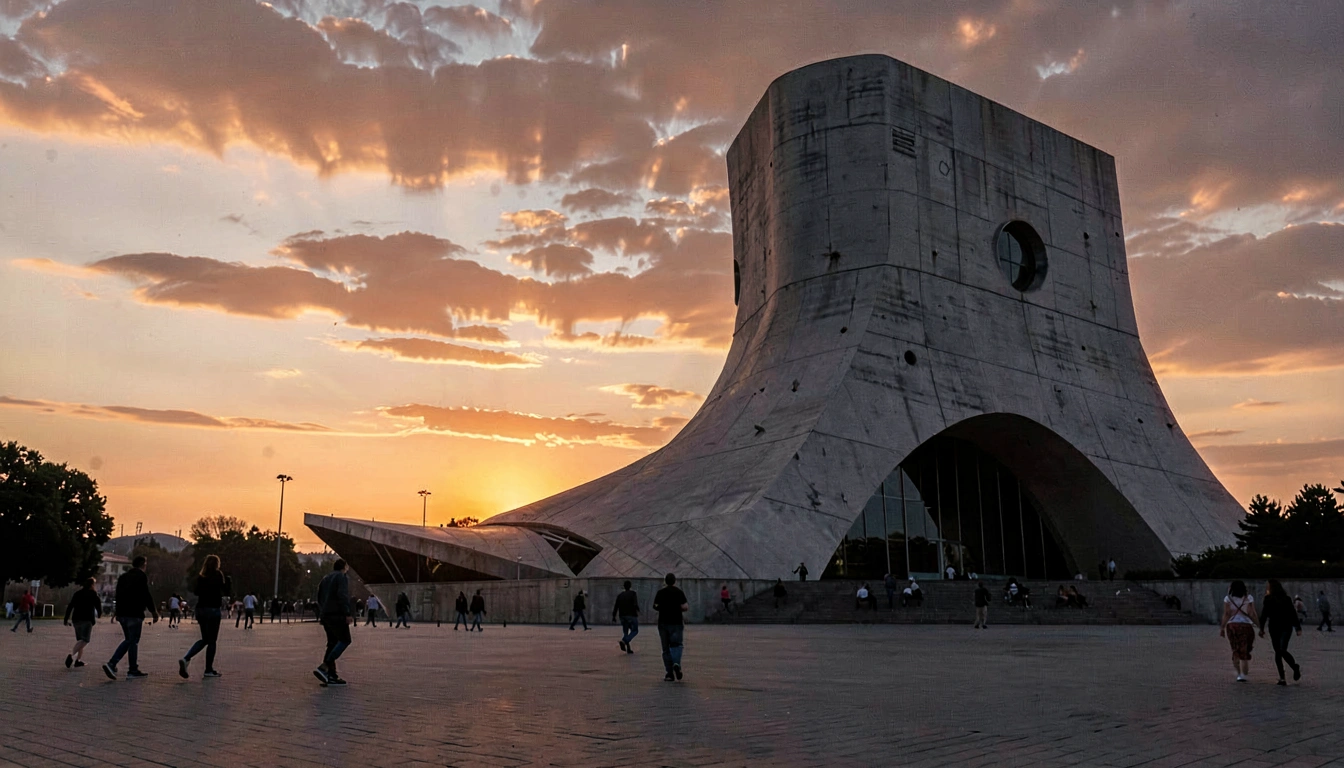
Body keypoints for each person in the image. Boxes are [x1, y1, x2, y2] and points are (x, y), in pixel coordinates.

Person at [102, 555, 159, 680]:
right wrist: (153, 611)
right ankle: (117, 664)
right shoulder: (141, 576)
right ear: (143, 564)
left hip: (123, 613)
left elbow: (118, 595)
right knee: (132, 641)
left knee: (129, 639)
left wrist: (117, 612)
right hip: (135, 613)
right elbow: (145, 594)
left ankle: (130, 667)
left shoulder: (123, 577)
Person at [179, 554, 232, 680]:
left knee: (205, 639)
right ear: (217, 564)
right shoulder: (218, 575)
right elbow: (225, 591)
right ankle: (208, 669)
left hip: (201, 609)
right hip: (213, 609)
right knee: (212, 641)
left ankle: (186, 658)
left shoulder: (201, 577)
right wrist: (228, 581)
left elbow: (196, 591)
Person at [314, 559, 353, 686]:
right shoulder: (341, 577)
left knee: (332, 643)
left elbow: (319, 596)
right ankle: (325, 666)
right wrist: (347, 613)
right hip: (337, 615)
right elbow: (342, 595)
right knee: (345, 640)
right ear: (344, 566)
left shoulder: (325, 578)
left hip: (326, 615)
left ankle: (331, 675)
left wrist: (323, 611)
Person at [1259, 579, 1302, 686]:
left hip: (1280, 627)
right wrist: (1261, 628)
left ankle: (1291, 670)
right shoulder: (1280, 599)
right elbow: (1264, 614)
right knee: (1279, 651)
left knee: (1280, 650)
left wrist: (1297, 627)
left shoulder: (1273, 599)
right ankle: (1284, 676)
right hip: (1280, 627)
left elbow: (1292, 613)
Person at [1219, 579, 1259, 682]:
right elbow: (1252, 613)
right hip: (1246, 625)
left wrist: (1222, 628)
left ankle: (1239, 673)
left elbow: (1227, 613)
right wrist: (1260, 626)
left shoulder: (1228, 598)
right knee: (1244, 649)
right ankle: (1244, 673)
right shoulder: (1248, 598)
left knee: (1235, 648)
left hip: (1232, 625)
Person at [653, 573, 689, 682]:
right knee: (677, 645)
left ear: (665, 581)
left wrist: (663, 607)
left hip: (663, 622)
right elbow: (685, 607)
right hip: (676, 622)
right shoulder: (679, 592)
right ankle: (676, 663)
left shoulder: (660, 593)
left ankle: (669, 674)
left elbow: (655, 606)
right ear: (674, 581)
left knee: (666, 648)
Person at [64, 577, 101, 668]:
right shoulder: (93, 594)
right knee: (85, 640)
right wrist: (99, 614)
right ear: (92, 585)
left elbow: (70, 606)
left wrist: (66, 618)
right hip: (87, 619)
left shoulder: (77, 593)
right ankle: (71, 655)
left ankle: (78, 661)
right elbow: (98, 605)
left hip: (76, 619)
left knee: (80, 640)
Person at [612, 581, 639, 653]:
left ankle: (628, 648)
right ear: (630, 586)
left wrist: (614, 616)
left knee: (626, 632)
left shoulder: (620, 595)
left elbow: (616, 606)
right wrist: (638, 610)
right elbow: (635, 604)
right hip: (631, 615)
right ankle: (624, 640)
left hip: (622, 616)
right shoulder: (633, 594)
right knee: (635, 630)